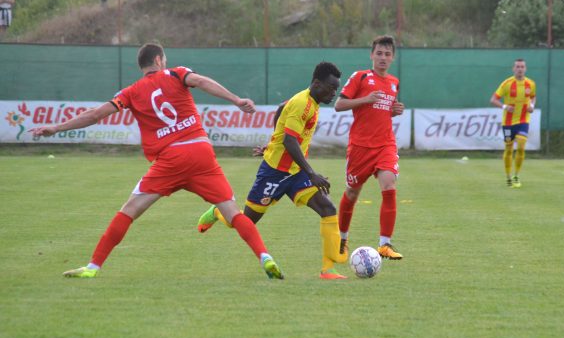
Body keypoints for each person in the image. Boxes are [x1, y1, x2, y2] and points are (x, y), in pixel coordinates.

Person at [29, 43, 284, 280]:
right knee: (232, 212)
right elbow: (201, 81)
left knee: (129, 211)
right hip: (201, 153)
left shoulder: (130, 92)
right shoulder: (176, 74)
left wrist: (56, 127)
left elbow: (95, 115)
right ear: (159, 60)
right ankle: (265, 257)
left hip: (170, 160)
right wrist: (236, 100)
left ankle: (92, 267)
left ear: (143, 65)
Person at [197, 62, 350, 279]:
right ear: (317, 84)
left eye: (336, 89)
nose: (334, 93)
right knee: (246, 222)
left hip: (295, 173)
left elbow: (281, 108)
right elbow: (290, 140)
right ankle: (218, 212)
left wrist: (272, 143)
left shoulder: (311, 102)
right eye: (331, 88)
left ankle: (328, 270)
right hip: (274, 173)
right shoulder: (302, 103)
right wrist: (311, 173)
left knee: (327, 208)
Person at [334, 35, 405, 260]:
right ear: (372, 55)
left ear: (392, 58)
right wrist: (365, 99)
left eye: (387, 54)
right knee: (352, 192)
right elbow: (339, 104)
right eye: (379, 53)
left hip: (385, 144)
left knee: (389, 185)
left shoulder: (394, 82)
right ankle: (342, 239)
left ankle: (385, 244)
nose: (383, 57)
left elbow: (382, 110)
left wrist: (393, 111)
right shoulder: (361, 76)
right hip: (360, 147)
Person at [490, 58, 536, 188]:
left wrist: (532, 106)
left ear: (525, 69)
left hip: (523, 120)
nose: (520, 69)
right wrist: (505, 107)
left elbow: (533, 97)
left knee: (521, 144)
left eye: (522, 67)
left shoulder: (530, 83)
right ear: (513, 69)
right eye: (517, 67)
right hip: (508, 123)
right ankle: (508, 177)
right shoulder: (507, 84)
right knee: (509, 148)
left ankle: (516, 175)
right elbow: (493, 99)